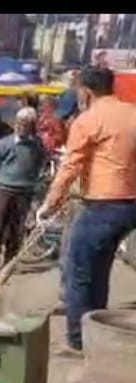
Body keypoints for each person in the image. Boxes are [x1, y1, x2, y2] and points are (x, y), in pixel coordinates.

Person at [37, 66, 136, 355]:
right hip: (130, 205)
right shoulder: (132, 112)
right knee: (100, 268)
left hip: (103, 204)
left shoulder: (88, 120)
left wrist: (49, 203)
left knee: (78, 269)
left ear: (86, 91)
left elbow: (71, 166)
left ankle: (79, 340)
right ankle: (98, 328)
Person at [0, 107, 46, 272]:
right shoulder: (5, 143)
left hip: (24, 192)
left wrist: (34, 188)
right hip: (3, 190)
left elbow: (39, 164)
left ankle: (9, 262)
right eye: (18, 123)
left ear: (32, 126)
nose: (20, 127)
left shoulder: (36, 145)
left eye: (25, 124)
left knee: (17, 229)